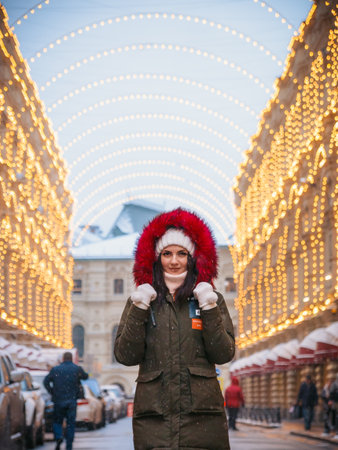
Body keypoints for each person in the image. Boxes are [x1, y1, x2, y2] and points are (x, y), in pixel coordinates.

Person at [114, 208, 235, 450]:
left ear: (193, 258)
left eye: (182, 253)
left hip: (202, 419)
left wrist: (208, 306)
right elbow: (126, 355)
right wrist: (139, 306)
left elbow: (223, 353)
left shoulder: (211, 299)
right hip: (154, 421)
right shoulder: (140, 300)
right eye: (167, 253)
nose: (174, 261)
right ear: (156, 257)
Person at [44, 351, 89, 450]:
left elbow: (46, 381)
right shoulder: (76, 369)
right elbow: (86, 376)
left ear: (63, 359)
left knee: (57, 421)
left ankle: (58, 436)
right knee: (70, 424)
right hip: (72, 401)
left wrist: (52, 391)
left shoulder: (55, 369)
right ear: (72, 358)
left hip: (58, 400)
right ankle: (69, 445)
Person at [329, 374, 338, 439]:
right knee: (336, 416)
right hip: (336, 402)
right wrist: (331, 400)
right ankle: (336, 431)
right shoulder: (335, 384)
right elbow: (331, 393)